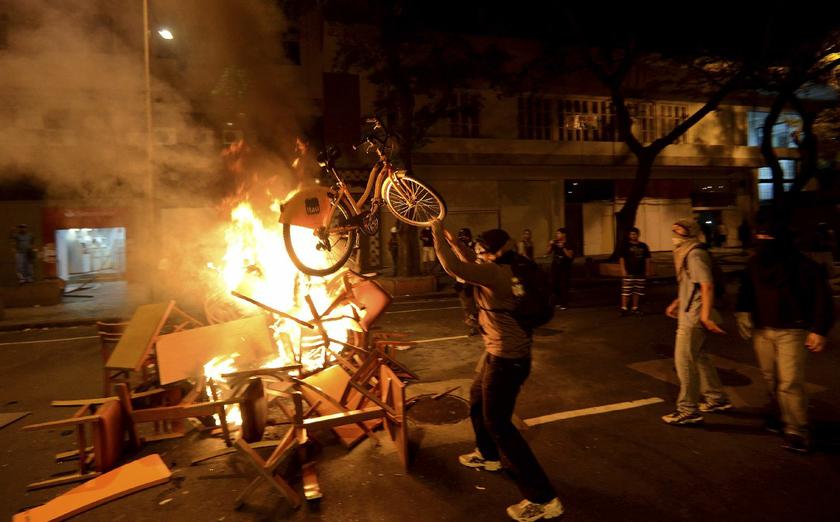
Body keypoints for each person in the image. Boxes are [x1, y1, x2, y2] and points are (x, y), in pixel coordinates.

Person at [430, 220, 562, 521]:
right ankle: (488, 456)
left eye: (482, 250)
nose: (478, 252)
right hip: (497, 352)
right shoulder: (505, 265)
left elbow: (456, 268)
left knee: (500, 424)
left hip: (507, 358)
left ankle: (544, 498)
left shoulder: (496, 274)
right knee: (476, 395)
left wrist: (436, 234)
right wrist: (451, 237)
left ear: (497, 252)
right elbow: (467, 260)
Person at [735, 218, 834, 453]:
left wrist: (819, 330)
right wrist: (742, 313)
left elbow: (822, 299)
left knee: (790, 382)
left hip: (793, 330)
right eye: (761, 238)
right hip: (763, 330)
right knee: (772, 379)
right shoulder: (756, 264)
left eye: (769, 238)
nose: (764, 243)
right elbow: (745, 291)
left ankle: (798, 429)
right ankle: (780, 415)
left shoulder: (803, 265)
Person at [662, 218, 731, 426]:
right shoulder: (685, 252)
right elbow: (690, 285)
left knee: (684, 362)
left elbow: (706, 286)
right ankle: (716, 399)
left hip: (693, 316)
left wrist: (704, 316)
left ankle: (688, 410)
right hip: (688, 311)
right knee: (700, 357)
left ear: (690, 233)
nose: (674, 236)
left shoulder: (694, 253)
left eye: (679, 232)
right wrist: (677, 302)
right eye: (673, 230)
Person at [619, 227, 651, 316]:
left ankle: (635, 307)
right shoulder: (625, 246)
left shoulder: (643, 246)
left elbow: (647, 258)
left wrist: (647, 270)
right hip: (629, 272)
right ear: (629, 235)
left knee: (637, 290)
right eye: (631, 234)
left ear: (638, 235)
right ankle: (624, 308)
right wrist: (623, 270)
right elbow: (622, 258)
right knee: (626, 290)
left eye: (635, 234)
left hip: (640, 272)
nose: (633, 236)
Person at [454, 228, 480, 336]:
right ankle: (473, 327)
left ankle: (483, 325)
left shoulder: (474, 246)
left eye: (464, 237)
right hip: (462, 280)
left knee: (478, 304)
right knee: (467, 306)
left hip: (473, 280)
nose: (462, 239)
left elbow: (477, 261)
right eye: (461, 237)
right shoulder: (457, 248)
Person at [546, 228, 573, 310]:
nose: (556, 235)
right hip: (555, 267)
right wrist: (550, 244)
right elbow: (547, 252)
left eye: (558, 233)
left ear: (563, 234)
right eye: (556, 233)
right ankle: (558, 302)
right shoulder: (555, 243)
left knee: (563, 285)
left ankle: (564, 303)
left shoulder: (569, 243)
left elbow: (570, 256)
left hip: (564, 267)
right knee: (554, 284)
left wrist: (563, 247)